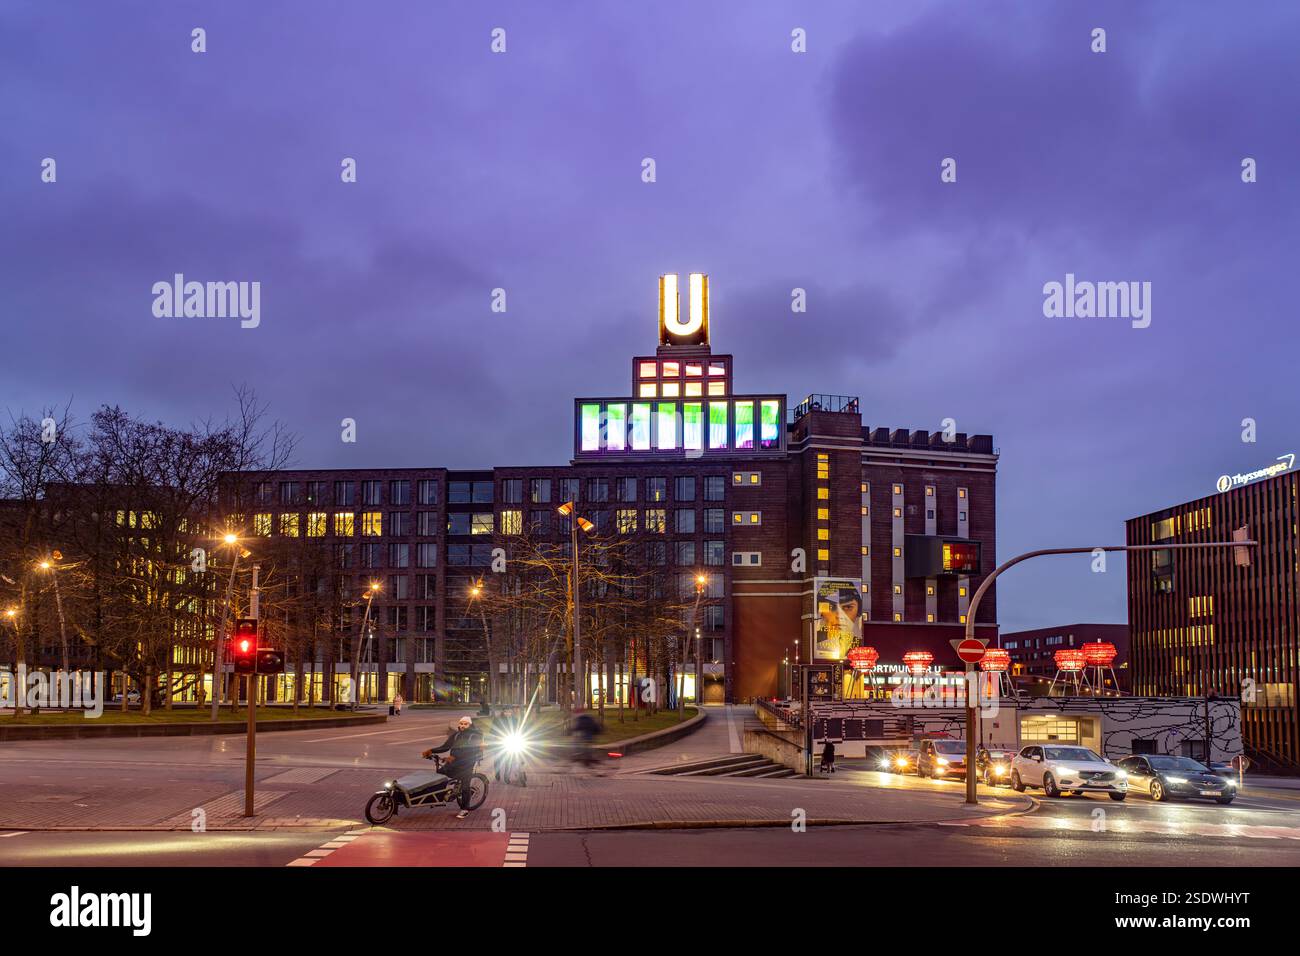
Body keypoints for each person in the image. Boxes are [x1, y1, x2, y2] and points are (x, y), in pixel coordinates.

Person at [422, 716, 483, 819]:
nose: (463, 726)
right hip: (455, 761)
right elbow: (445, 747)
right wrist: (431, 751)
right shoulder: (456, 735)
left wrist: (454, 757)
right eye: (461, 723)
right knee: (440, 774)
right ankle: (438, 797)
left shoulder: (474, 736)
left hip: (468, 763)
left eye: (465, 724)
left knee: (465, 786)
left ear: (470, 725)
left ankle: (464, 809)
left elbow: (470, 750)